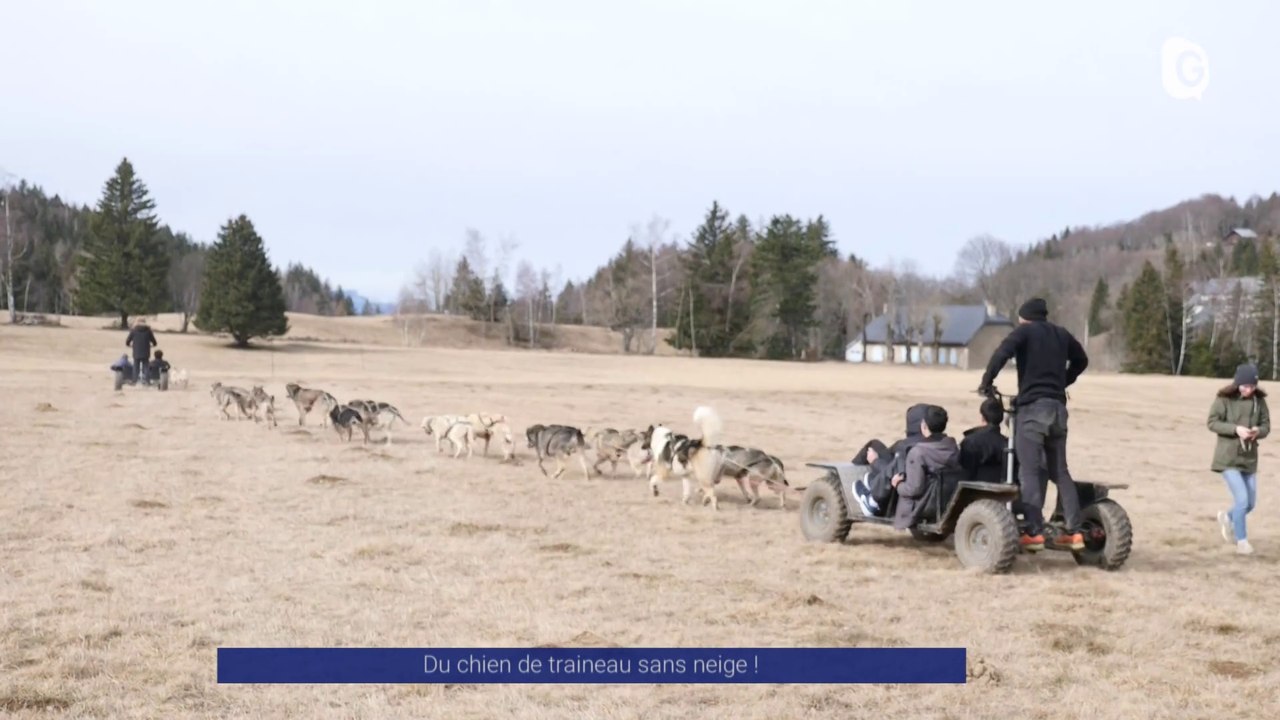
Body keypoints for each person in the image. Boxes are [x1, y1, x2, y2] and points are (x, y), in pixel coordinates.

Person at [977, 297, 1089, 552]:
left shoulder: (1023, 332)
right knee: (1060, 471)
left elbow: (1001, 354)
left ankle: (1034, 532)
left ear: (1024, 317)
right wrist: (1062, 381)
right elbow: (1082, 360)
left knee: (1028, 470)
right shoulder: (1062, 334)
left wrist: (986, 381)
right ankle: (1073, 532)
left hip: (1032, 410)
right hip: (1058, 409)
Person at [1207, 363, 1269, 556]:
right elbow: (1212, 422)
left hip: (1249, 459)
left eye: (1251, 386)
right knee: (1242, 500)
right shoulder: (1223, 399)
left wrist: (1258, 431)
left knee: (1250, 503)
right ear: (1237, 383)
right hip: (1227, 458)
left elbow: (1266, 425)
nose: (1248, 389)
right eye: (1244, 386)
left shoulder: (1260, 402)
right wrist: (1235, 429)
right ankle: (1242, 542)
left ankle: (1228, 517)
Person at [891, 405, 960, 531]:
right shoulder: (952, 446)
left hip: (922, 507)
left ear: (924, 426)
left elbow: (914, 489)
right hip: (948, 503)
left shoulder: (918, 452)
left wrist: (898, 484)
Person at [126, 318, 158, 385]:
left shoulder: (134, 330)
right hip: (146, 351)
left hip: (136, 351)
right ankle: (147, 381)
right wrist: (152, 345)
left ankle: (134, 381)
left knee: (136, 367)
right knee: (146, 366)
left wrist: (130, 345)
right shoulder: (148, 331)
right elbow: (154, 342)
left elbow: (127, 341)